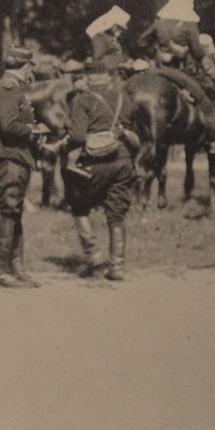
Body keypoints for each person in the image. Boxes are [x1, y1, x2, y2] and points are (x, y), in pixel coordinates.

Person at [0, 46, 47, 288]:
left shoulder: (10, 88)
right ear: (26, 67)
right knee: (9, 211)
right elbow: (8, 126)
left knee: (14, 211)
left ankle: (16, 267)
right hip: (8, 158)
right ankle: (1, 271)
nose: (30, 73)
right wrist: (34, 131)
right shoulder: (8, 89)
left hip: (13, 157)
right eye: (30, 68)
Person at [62, 58, 138, 280]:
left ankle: (94, 258)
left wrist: (63, 145)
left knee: (79, 207)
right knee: (116, 215)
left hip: (95, 163)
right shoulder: (124, 98)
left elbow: (77, 136)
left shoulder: (82, 100)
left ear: (88, 77)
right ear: (107, 76)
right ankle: (117, 266)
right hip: (123, 160)